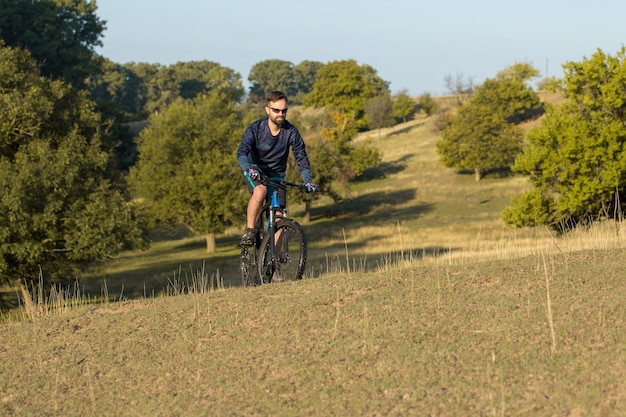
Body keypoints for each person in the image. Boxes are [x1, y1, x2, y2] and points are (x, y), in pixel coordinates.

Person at [237, 91, 317, 246]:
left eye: (284, 110)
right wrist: (247, 168)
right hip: (255, 171)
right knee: (260, 191)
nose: (281, 114)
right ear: (268, 109)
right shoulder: (255, 129)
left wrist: (307, 181)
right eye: (276, 110)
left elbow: (301, 157)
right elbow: (242, 151)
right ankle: (250, 230)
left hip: (277, 177)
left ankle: (273, 264)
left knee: (279, 218)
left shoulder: (291, 132)